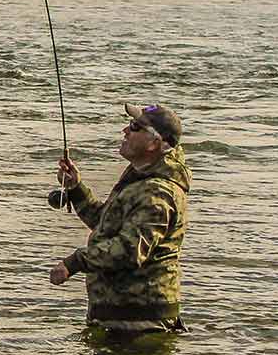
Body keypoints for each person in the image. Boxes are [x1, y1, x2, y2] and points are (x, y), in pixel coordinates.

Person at [48, 102, 191, 334]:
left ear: (156, 143)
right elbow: (106, 224)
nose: (125, 131)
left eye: (135, 127)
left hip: (140, 325)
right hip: (121, 319)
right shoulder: (140, 179)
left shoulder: (158, 192)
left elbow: (130, 250)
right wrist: (75, 189)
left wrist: (74, 263)